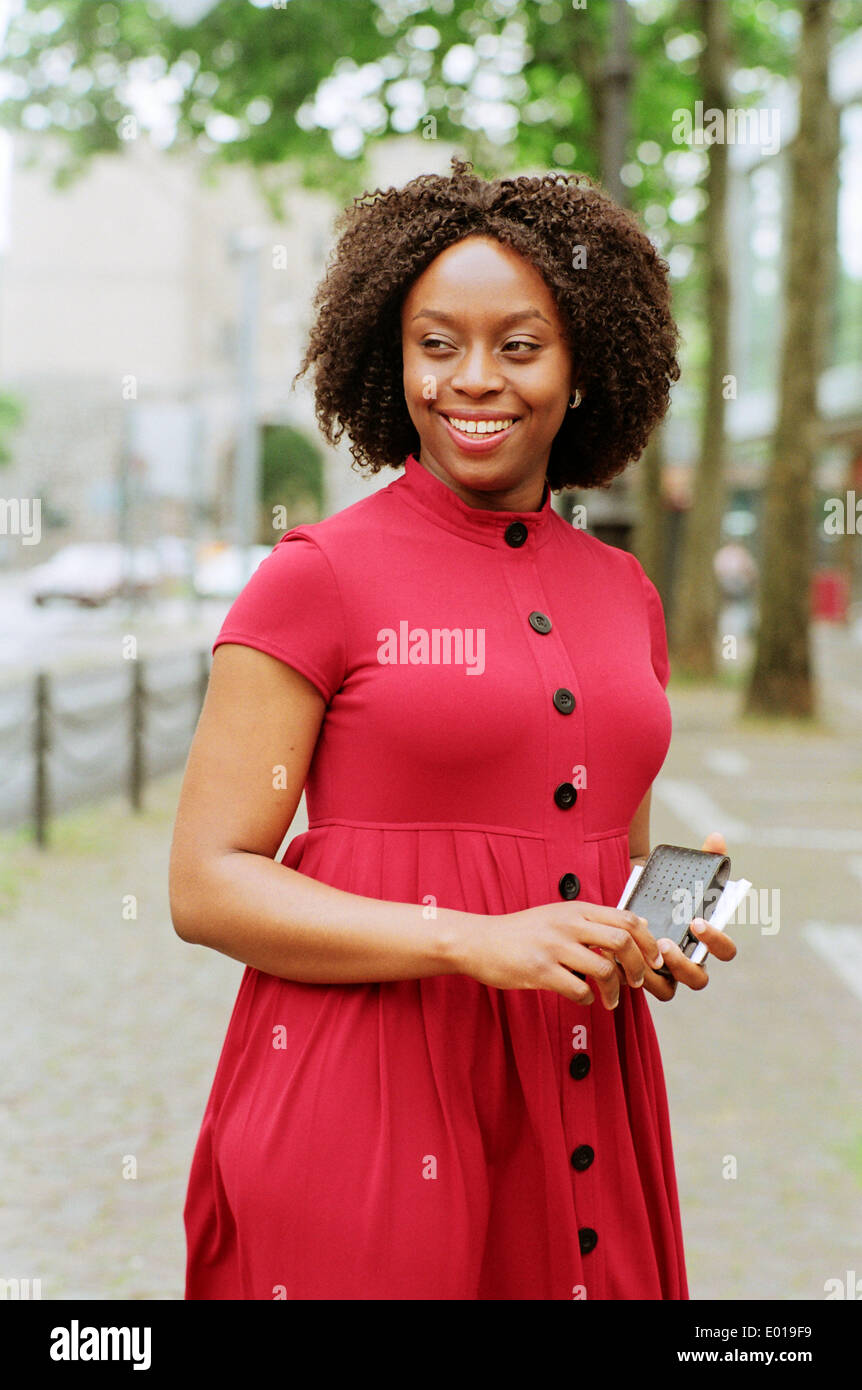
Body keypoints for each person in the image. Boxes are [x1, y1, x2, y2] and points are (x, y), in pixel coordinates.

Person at [169, 158, 737, 1301]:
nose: (473, 379)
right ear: (393, 359)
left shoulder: (624, 594)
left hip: (579, 1096)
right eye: (436, 344)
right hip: (367, 1102)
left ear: (583, 367)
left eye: (519, 346)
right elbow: (206, 884)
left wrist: (649, 927)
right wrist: (469, 940)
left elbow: (600, 860)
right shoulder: (317, 576)